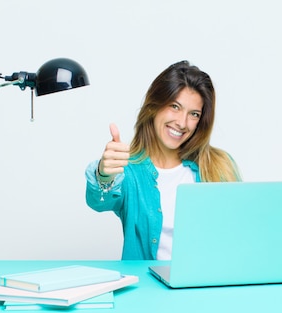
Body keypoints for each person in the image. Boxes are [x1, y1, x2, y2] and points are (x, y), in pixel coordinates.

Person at [85, 60, 241, 260]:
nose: (182, 123)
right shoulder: (129, 171)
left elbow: (237, 232)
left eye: (194, 114)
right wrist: (104, 174)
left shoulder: (219, 165)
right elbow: (98, 201)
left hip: (204, 288)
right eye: (175, 107)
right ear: (154, 106)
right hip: (147, 289)